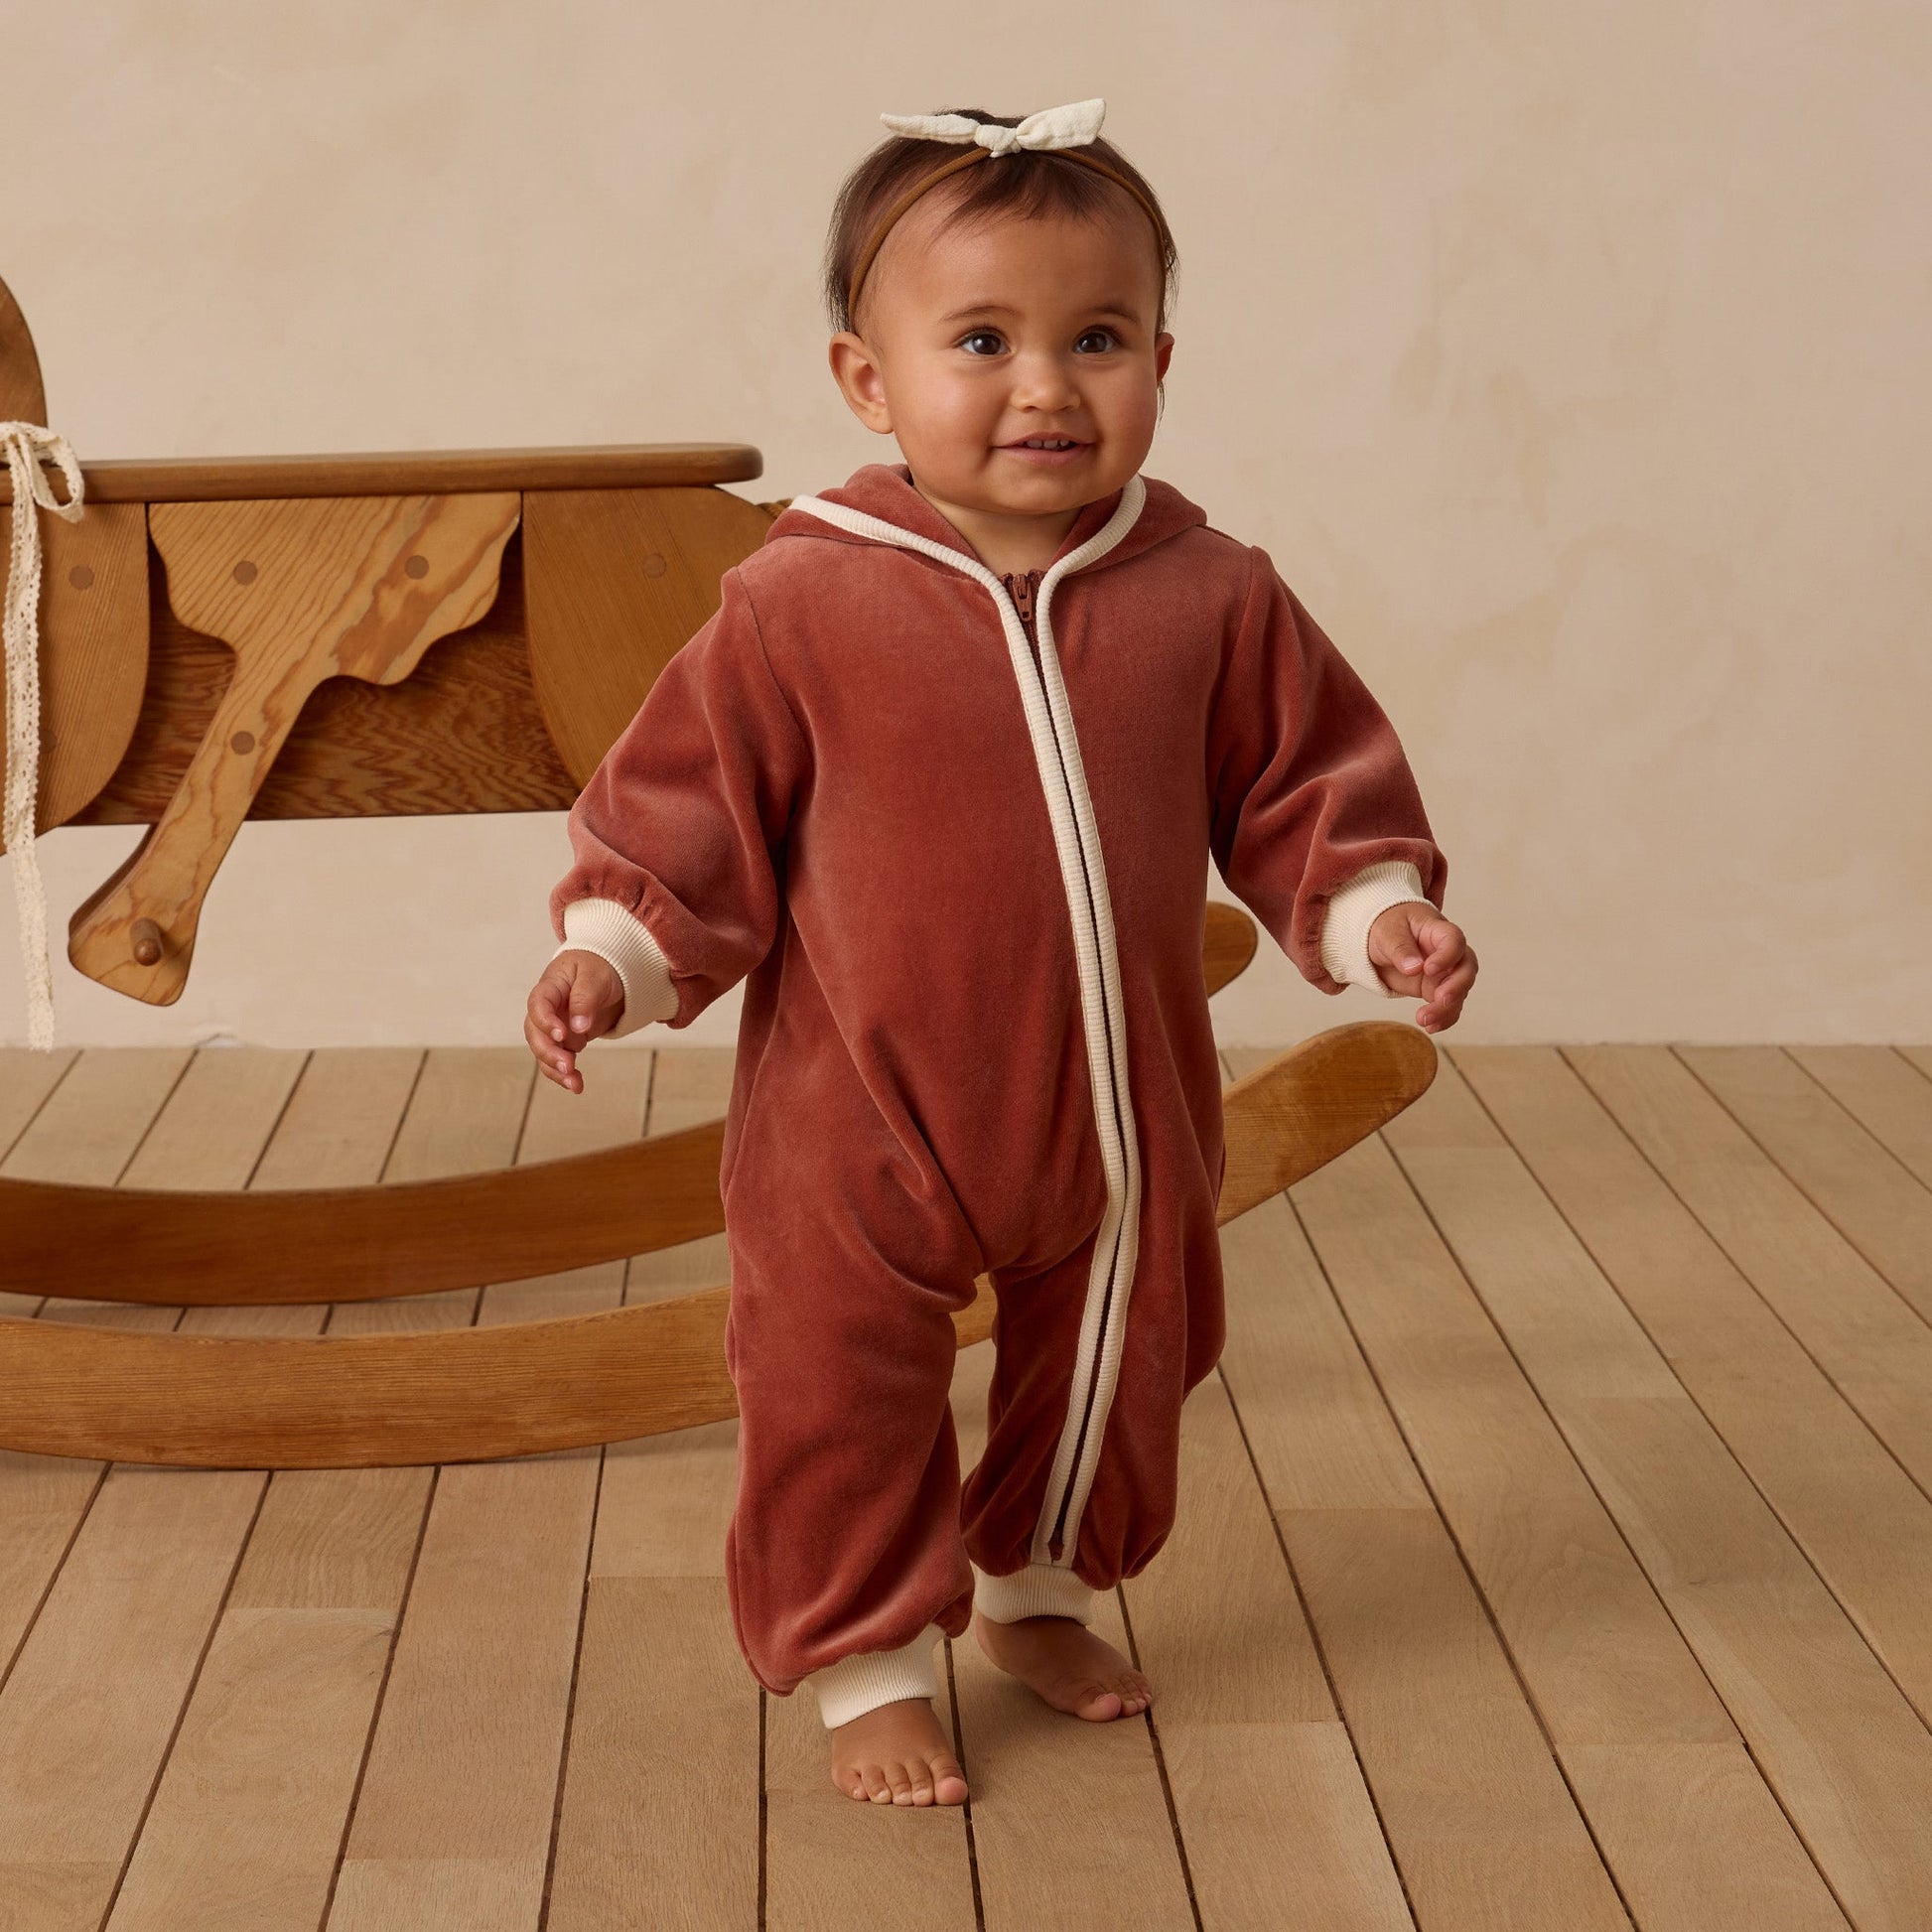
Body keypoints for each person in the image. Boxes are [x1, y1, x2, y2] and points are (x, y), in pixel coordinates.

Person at [522, 98, 1476, 1810]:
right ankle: (871, 1655)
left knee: (1122, 1354)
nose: (1045, 385)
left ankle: (1038, 1589)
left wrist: (1371, 907)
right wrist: (615, 947)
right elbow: (686, 809)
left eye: (1096, 338)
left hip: (1117, 1110)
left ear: (1161, 361)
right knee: (835, 1380)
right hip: (858, 1119)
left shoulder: (1208, 593)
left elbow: (1300, 782)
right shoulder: (797, 603)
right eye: (980, 341)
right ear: (867, 381)